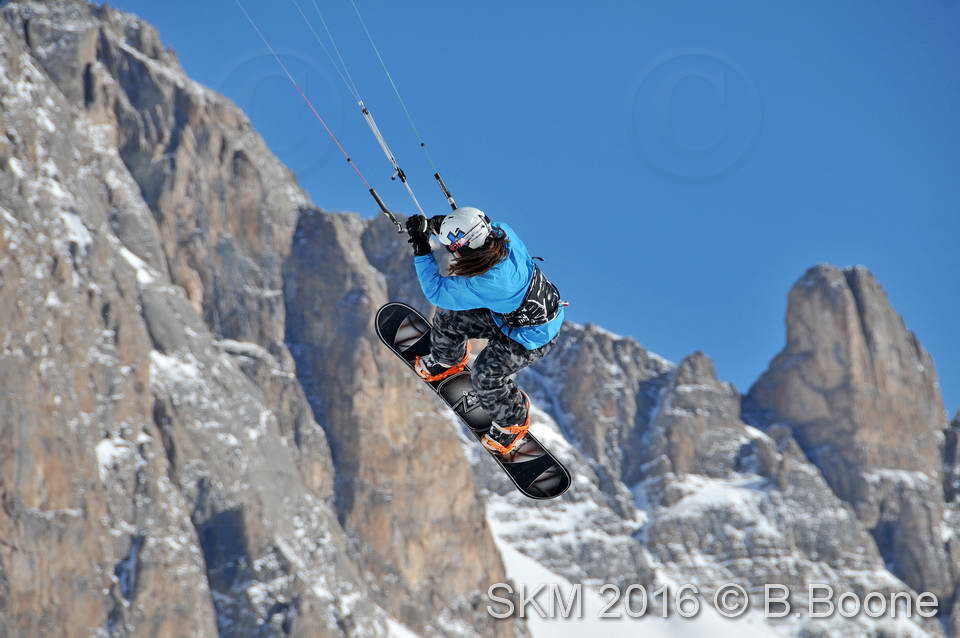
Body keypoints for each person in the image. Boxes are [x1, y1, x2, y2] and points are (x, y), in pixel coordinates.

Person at [405, 207, 565, 455]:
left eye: (453, 247)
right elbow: (470, 232)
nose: (450, 251)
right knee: (450, 318)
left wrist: (421, 247)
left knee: (485, 375)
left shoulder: (493, 282)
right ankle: (447, 359)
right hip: (508, 316)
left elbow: (437, 292)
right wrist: (440, 226)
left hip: (530, 337)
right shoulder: (501, 233)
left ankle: (512, 421)